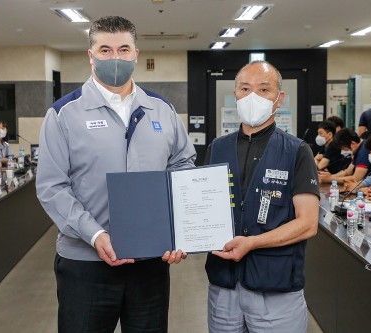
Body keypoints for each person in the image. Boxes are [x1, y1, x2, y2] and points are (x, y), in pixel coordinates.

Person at [36, 16, 196, 333]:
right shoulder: (63, 114)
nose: (115, 58)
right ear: (91, 55)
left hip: (150, 262)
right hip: (86, 264)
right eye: (105, 50)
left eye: (123, 49)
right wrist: (95, 235)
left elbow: (183, 168)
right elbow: (53, 188)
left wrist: (181, 228)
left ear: (136, 54)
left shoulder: (162, 110)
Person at [204, 61, 319, 333]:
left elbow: (308, 223)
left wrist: (253, 243)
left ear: (279, 99)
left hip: (276, 289)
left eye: (264, 89)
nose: (253, 96)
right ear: (236, 95)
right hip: (224, 288)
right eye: (245, 88)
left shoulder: (297, 151)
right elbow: (204, 206)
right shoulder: (217, 149)